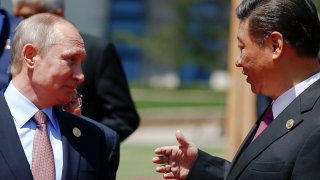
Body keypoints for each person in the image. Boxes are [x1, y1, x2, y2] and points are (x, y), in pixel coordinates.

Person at [152, 0, 320, 179]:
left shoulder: (315, 125)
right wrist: (201, 167)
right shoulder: (282, 107)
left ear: (275, 45)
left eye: (242, 48)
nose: (238, 61)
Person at [0, 13, 119, 179]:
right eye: (71, 60)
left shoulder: (95, 138)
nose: (81, 76)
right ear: (31, 56)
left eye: (81, 63)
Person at [10, 0, 140, 142]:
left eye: (26, 16)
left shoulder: (96, 50)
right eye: (16, 16)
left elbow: (124, 117)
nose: (18, 22)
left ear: (57, 14)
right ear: (30, 56)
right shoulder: (8, 49)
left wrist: (85, 140)